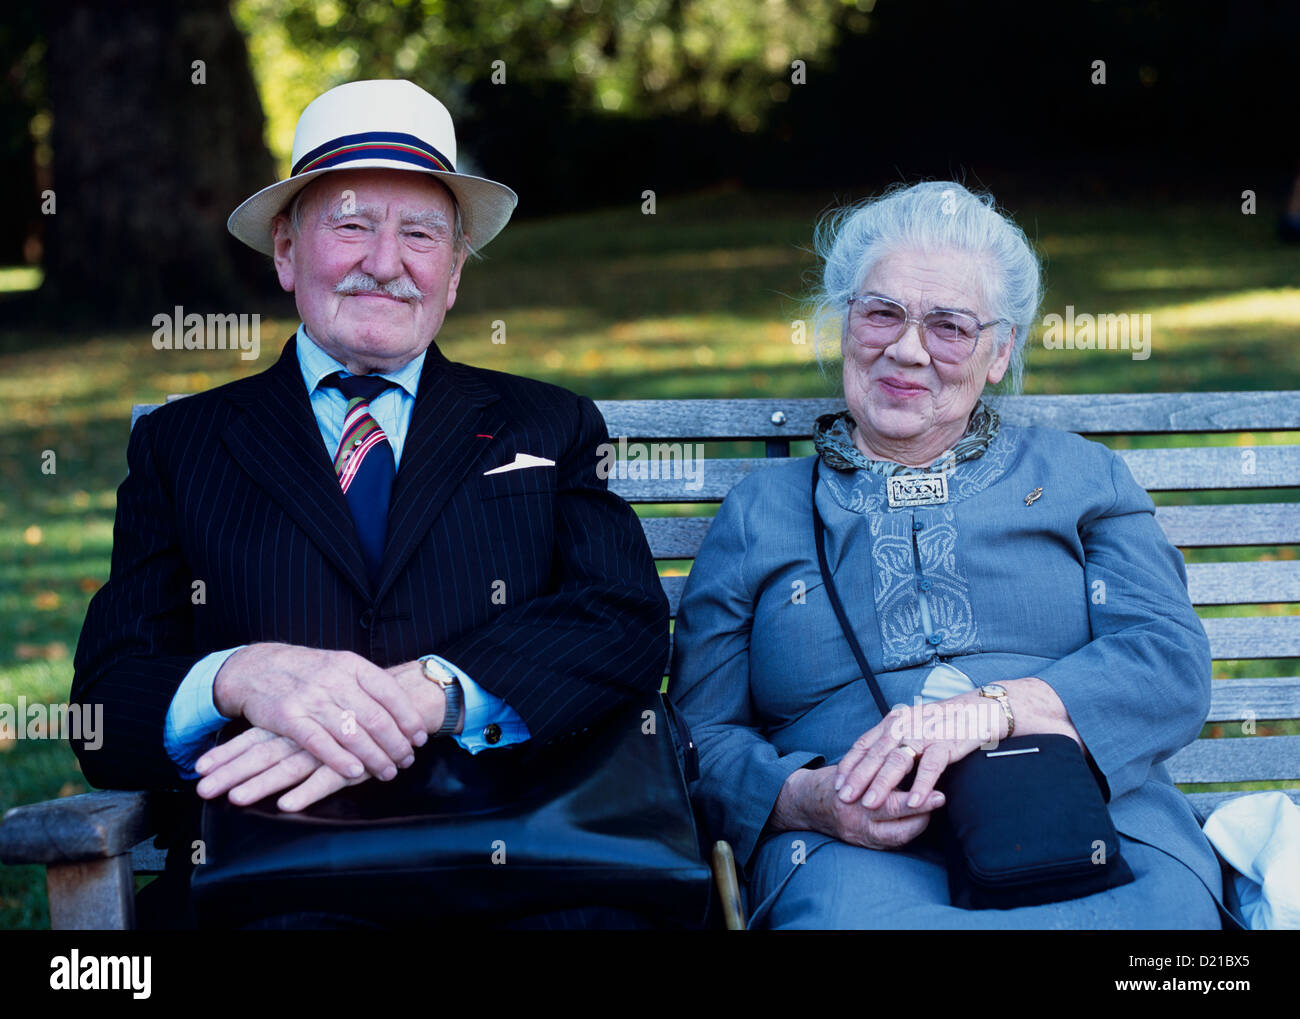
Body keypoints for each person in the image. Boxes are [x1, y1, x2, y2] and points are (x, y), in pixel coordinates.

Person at [70, 79, 669, 928]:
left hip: (517, 863)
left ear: (454, 272)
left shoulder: (548, 422)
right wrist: (242, 677)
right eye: (351, 223)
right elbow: (104, 708)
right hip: (271, 878)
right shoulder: (183, 444)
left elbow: (624, 619)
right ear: (286, 251)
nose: (385, 263)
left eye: (420, 234)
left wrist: (434, 690)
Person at [669, 181, 1236, 929]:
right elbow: (696, 734)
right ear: (845, 324)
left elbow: (1168, 659)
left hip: (1091, 829)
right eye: (882, 313)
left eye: (949, 327)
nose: (907, 350)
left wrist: (997, 710)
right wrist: (808, 799)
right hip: (858, 851)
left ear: (999, 352)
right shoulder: (763, 510)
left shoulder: (1079, 477)